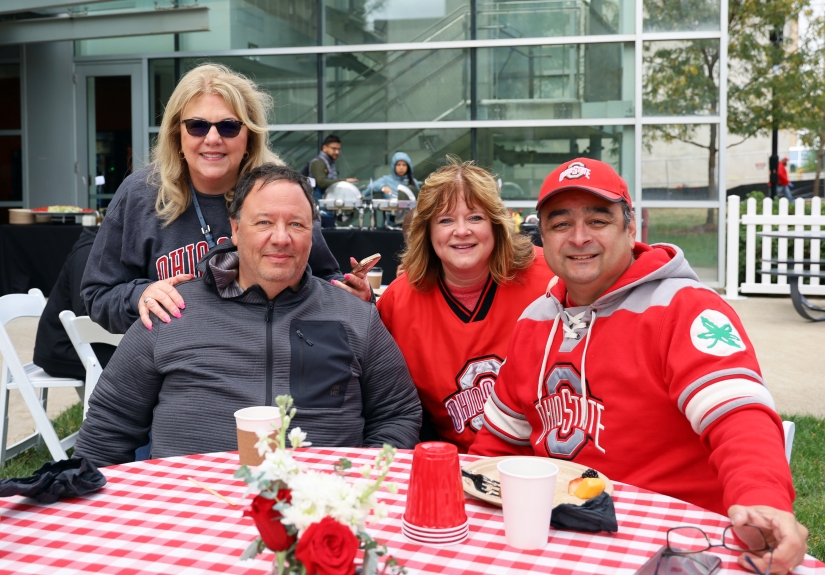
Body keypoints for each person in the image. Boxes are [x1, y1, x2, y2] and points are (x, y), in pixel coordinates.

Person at [470, 158, 808, 575]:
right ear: (543, 237)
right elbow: (498, 445)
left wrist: (763, 498)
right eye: (560, 225)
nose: (579, 238)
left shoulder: (683, 307)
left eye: (598, 220)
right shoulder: (535, 320)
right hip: (558, 541)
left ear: (631, 229)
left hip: (675, 546)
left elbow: (738, 416)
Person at [73, 164, 422, 466]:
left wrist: (365, 478)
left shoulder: (352, 315)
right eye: (264, 222)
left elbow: (398, 414)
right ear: (236, 230)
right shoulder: (173, 310)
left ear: (312, 236)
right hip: (188, 510)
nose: (281, 238)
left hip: (320, 508)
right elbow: (109, 426)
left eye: (297, 225)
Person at [81, 64, 373, 335]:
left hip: (267, 361)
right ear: (176, 134)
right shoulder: (139, 194)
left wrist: (349, 295)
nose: (212, 138)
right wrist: (139, 296)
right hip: (178, 370)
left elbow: (323, 277)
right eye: (197, 126)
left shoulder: (281, 192)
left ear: (249, 136)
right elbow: (98, 295)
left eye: (229, 126)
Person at [376, 160, 555, 453]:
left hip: (546, 463)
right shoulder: (398, 301)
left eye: (475, 218)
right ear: (427, 231)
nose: (461, 231)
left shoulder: (549, 277)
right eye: (445, 220)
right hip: (457, 466)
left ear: (497, 224)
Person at [33, 228, 115, 379]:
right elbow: (86, 317)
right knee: (144, 362)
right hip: (64, 349)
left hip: (83, 342)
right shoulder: (89, 254)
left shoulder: (107, 249)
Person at [308, 134, 359, 200]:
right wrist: (345, 181)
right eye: (334, 149)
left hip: (328, 201)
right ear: (324, 148)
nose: (337, 152)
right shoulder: (318, 162)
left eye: (338, 149)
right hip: (319, 204)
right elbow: (322, 183)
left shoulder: (330, 163)